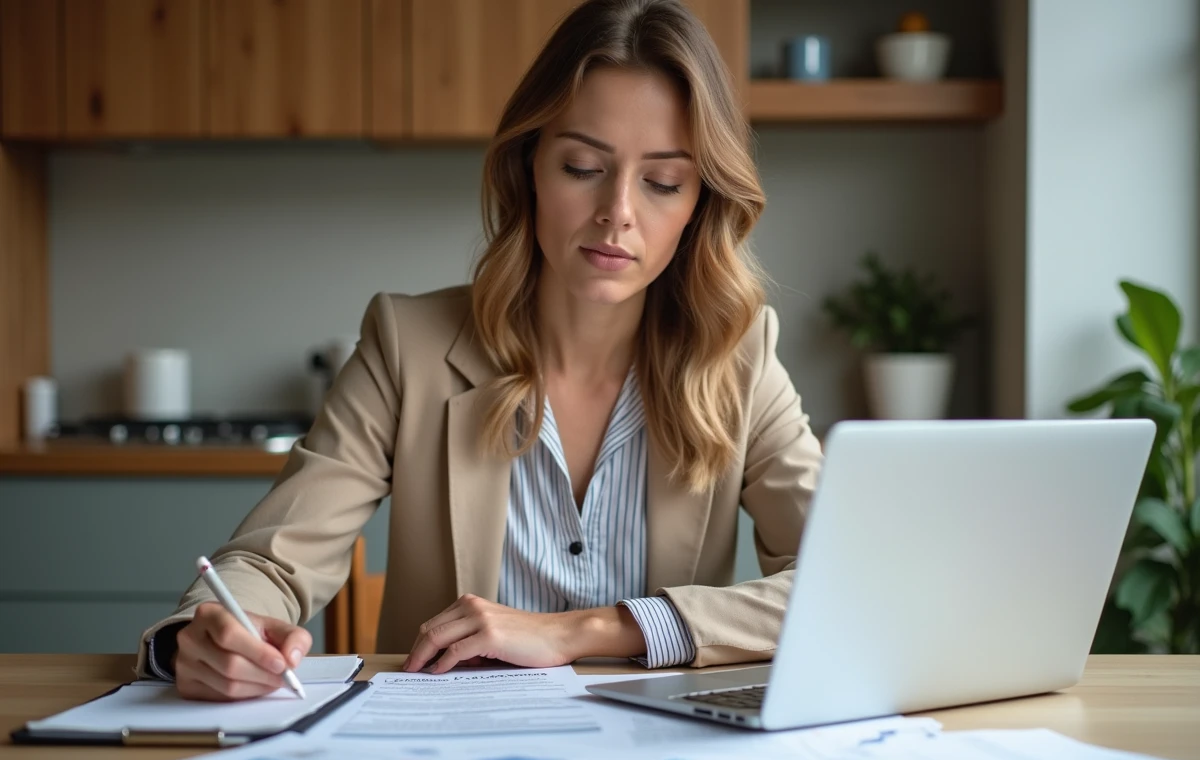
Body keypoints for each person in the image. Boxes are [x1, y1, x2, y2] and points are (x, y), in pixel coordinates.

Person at [136, 0, 823, 701]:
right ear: (529, 166)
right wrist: (206, 633)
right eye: (582, 166)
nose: (618, 212)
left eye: (663, 182)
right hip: (447, 743)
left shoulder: (739, 358)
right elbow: (272, 561)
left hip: (662, 749)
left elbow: (847, 583)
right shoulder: (409, 345)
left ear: (699, 202)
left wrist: (587, 630)